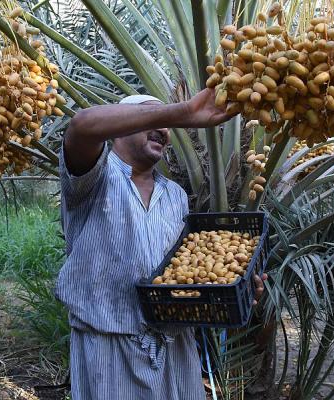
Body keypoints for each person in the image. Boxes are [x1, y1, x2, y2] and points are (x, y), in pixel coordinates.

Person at [56, 88, 267, 399]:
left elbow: (188, 273)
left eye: (167, 125)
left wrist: (236, 287)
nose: (165, 131)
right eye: (151, 118)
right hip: (109, 344)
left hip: (175, 345)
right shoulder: (92, 177)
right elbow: (82, 125)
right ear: (120, 128)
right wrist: (181, 112)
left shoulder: (175, 196)